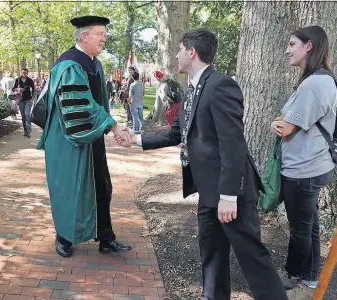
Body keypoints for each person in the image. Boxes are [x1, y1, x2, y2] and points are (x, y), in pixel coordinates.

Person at [122, 28, 288, 300]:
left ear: (191, 52)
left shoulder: (221, 85)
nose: (175, 55)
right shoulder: (192, 89)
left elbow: (232, 144)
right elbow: (176, 134)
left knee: (252, 257)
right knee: (211, 250)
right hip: (208, 191)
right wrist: (136, 139)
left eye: (178, 49)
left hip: (230, 192)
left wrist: (228, 196)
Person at [36, 15, 133, 258]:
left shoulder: (94, 64)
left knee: (101, 185)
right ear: (83, 36)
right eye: (100, 34)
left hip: (91, 138)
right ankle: (64, 238)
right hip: (69, 141)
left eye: (104, 34)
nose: (104, 38)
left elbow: (98, 103)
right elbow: (81, 107)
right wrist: (112, 125)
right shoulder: (69, 65)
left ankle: (105, 237)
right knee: (70, 188)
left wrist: (109, 127)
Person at [270, 26, 337, 298]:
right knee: (309, 226)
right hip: (314, 165)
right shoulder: (323, 80)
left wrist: (276, 122)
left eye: (292, 44)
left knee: (301, 229)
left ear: (309, 46)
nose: (287, 50)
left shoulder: (313, 84)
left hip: (304, 170)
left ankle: (293, 275)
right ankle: (309, 277)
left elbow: (285, 128)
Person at [12, 68, 35, 137]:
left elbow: (33, 91)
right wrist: (18, 89)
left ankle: (29, 131)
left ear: (27, 73)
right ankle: (25, 130)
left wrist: (32, 100)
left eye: (25, 73)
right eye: (22, 73)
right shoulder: (18, 80)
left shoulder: (30, 80)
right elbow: (13, 89)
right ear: (21, 73)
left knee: (27, 114)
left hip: (28, 99)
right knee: (23, 115)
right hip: (20, 100)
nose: (23, 74)